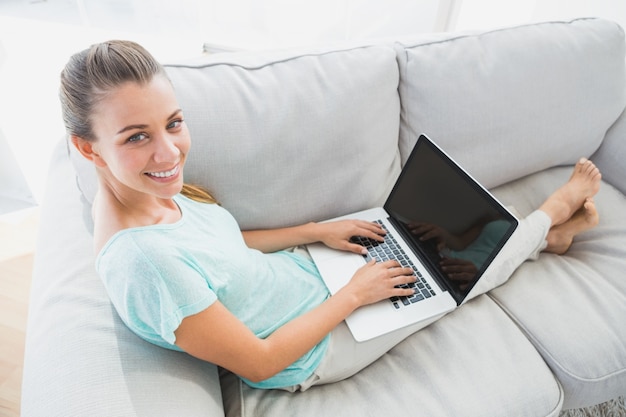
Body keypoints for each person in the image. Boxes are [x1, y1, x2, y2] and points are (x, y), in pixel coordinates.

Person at [60, 40, 601, 392]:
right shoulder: (144, 262)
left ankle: (547, 240)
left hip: (309, 278)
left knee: (421, 241)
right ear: (88, 149)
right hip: (317, 344)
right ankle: (550, 216)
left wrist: (317, 232)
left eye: (173, 123)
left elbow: (224, 250)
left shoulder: (151, 193)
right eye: (137, 137)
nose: (169, 153)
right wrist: (356, 295)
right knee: (463, 272)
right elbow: (260, 361)